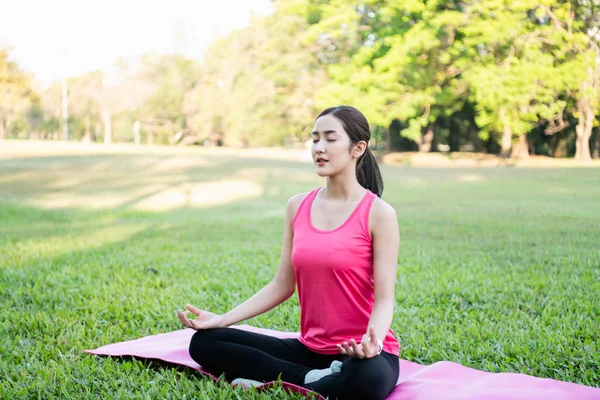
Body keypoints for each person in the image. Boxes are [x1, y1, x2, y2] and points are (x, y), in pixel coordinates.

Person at [177, 105, 401, 400]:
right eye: (315, 139)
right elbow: (282, 285)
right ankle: (310, 379)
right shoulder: (298, 206)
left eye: (330, 139)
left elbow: (385, 298)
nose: (319, 148)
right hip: (309, 351)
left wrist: (372, 342)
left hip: (360, 352)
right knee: (204, 344)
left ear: (358, 148)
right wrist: (222, 319)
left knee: (365, 382)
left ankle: (270, 380)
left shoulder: (379, 214)